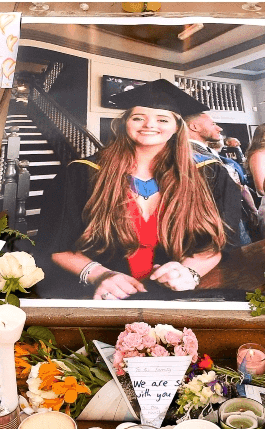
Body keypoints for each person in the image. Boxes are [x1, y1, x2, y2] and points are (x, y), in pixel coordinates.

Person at [35, 79, 241, 300]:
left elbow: (220, 240)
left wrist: (190, 272)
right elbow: (56, 244)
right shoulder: (81, 174)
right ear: (125, 123)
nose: (149, 125)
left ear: (177, 127)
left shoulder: (208, 175)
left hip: (178, 296)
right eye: (138, 118)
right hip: (105, 296)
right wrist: (100, 275)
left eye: (162, 119)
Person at [185, 111, 265, 242]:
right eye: (213, 124)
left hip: (235, 218)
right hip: (218, 225)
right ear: (195, 127)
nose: (219, 128)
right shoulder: (190, 154)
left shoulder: (206, 151)